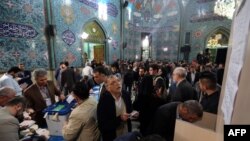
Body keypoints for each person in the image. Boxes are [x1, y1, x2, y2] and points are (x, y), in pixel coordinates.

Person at [97, 75, 132, 141]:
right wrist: (119, 119)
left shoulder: (126, 95)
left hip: (126, 132)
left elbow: (130, 110)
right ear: (108, 88)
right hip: (112, 136)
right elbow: (102, 125)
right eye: (113, 83)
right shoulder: (104, 101)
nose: (118, 83)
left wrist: (133, 114)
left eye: (118, 81)